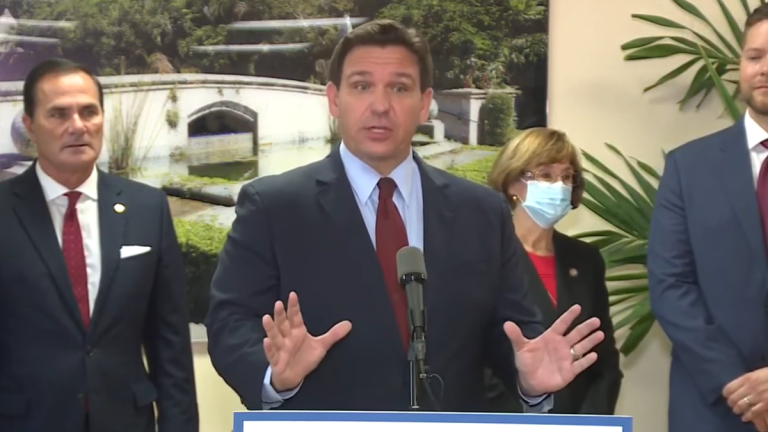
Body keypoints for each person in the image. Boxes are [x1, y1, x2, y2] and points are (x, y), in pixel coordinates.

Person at [206, 19, 604, 412]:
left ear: (424, 103)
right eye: (362, 86)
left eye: (399, 88)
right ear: (334, 99)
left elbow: (514, 333)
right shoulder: (274, 207)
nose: (381, 105)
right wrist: (273, 376)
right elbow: (230, 323)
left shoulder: (481, 212)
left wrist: (529, 382)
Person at [0, 58, 199, 432]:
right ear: (30, 126)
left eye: (89, 112)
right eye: (58, 114)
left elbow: (170, 346)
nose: (77, 125)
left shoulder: (147, 208)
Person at [648, 5, 768, 432]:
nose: (764, 69)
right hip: (713, 407)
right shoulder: (688, 168)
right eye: (755, 56)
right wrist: (738, 385)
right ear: (739, 65)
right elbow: (670, 285)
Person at [483, 127, 622, 414]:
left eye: (567, 176)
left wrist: (588, 424)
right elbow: (470, 360)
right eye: (545, 175)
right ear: (512, 183)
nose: (559, 185)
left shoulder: (586, 259)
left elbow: (604, 363)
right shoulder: (483, 254)